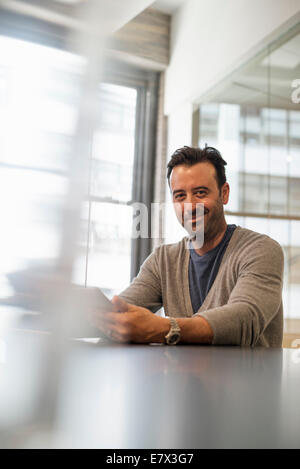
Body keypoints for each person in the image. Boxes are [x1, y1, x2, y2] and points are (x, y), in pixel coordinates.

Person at [89, 146, 284, 347]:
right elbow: (120, 316)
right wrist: (82, 313)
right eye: (180, 196)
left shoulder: (261, 250)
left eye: (200, 193)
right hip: (180, 377)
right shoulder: (163, 260)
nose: (190, 206)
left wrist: (165, 328)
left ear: (224, 194)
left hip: (249, 378)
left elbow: (245, 319)